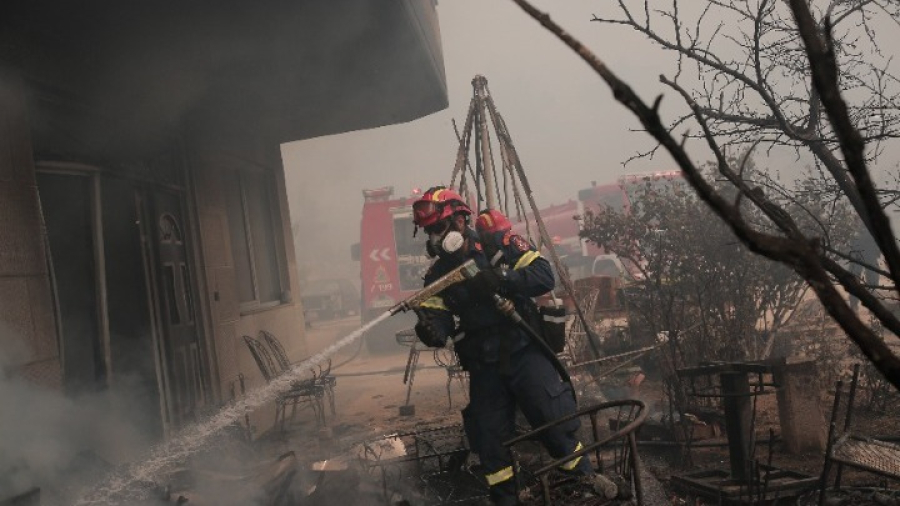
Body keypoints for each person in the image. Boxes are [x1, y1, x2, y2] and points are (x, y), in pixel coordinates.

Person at [411, 187, 615, 505]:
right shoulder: (439, 276)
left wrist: (500, 279)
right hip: (483, 366)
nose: (435, 237)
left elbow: (543, 275)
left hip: (524, 350)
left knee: (554, 421)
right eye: (430, 232)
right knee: (490, 442)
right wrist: (430, 330)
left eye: (439, 228)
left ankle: (584, 483)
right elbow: (440, 323)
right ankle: (506, 501)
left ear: (461, 220)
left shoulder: (498, 246)